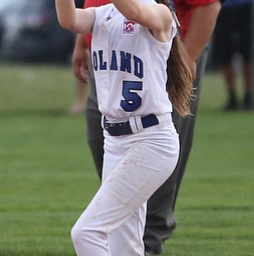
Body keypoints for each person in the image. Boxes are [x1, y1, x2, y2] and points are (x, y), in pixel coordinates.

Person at [72, 0, 221, 254]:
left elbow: (136, 12)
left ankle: (153, 239)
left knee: (87, 232)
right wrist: (80, 42)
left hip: (151, 138)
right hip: (116, 139)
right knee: (124, 242)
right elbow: (70, 19)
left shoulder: (159, 12)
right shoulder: (103, 14)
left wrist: (190, 57)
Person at [212, 0, 253, 111]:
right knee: (224, 54)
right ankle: (232, 96)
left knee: (248, 54)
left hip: (247, 6)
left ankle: (249, 95)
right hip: (222, 7)